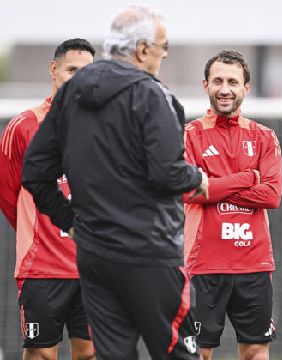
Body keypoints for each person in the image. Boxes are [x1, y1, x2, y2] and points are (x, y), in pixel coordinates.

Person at [21, 5, 208, 359]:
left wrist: (70, 222)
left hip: (95, 256)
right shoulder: (154, 94)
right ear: (141, 50)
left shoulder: (70, 93)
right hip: (150, 253)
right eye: (162, 47)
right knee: (179, 354)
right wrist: (197, 178)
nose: (163, 56)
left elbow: (34, 171)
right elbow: (167, 172)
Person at [183, 50, 282, 360]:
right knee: (198, 352)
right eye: (217, 81)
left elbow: (271, 196)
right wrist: (247, 178)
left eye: (232, 82)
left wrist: (213, 185)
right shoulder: (190, 135)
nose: (224, 89)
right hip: (203, 265)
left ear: (246, 87)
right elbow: (189, 191)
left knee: (255, 350)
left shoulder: (264, 137)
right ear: (205, 85)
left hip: (253, 264)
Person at [0, 38, 95, 360]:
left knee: (90, 352)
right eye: (72, 70)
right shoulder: (24, 126)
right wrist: (38, 230)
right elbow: (8, 193)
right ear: (54, 70)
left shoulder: (104, 129)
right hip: (42, 269)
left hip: (94, 268)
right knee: (42, 355)